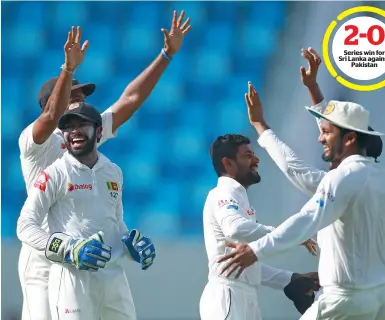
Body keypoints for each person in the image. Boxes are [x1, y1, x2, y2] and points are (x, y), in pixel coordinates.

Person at [17, 11, 191, 320]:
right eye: (74, 96)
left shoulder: (86, 137)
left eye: (83, 96)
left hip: (88, 258)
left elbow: (130, 100)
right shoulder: (34, 141)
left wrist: (166, 55)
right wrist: (67, 69)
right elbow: (50, 116)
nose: (81, 101)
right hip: (44, 256)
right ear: (51, 104)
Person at [217, 101, 385, 320]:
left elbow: (306, 220)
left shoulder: (341, 178)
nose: (320, 138)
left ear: (350, 139)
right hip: (381, 299)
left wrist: (255, 250)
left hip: (345, 302)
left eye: (326, 133)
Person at [17, 103, 156, 320]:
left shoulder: (113, 172)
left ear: (99, 131)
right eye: (69, 126)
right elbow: (25, 225)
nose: (74, 131)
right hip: (72, 276)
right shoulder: (55, 174)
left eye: (82, 124)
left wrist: (131, 245)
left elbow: (115, 222)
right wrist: (70, 249)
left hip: (113, 276)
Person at [199, 134, 320, 320]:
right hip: (228, 295)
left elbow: (244, 265)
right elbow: (235, 228)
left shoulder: (240, 198)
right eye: (248, 155)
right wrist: (287, 234)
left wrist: (290, 278)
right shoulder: (223, 193)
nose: (256, 159)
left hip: (244, 296)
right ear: (228, 164)